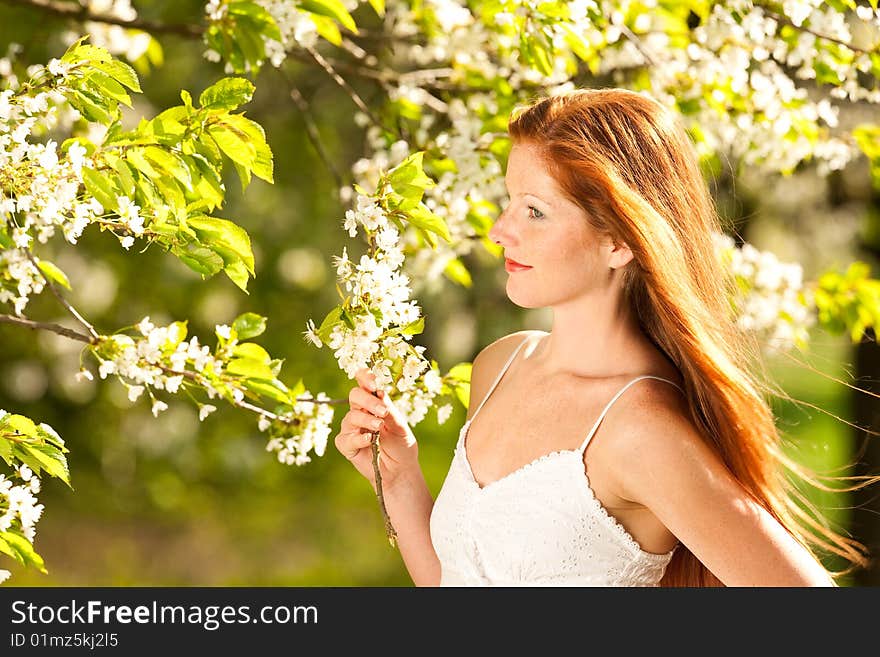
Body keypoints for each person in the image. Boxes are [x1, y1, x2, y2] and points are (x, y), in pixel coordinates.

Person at [333, 88, 868, 586]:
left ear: (618, 242)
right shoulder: (499, 367)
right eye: (510, 200)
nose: (500, 230)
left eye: (535, 211)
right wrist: (401, 480)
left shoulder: (641, 429)